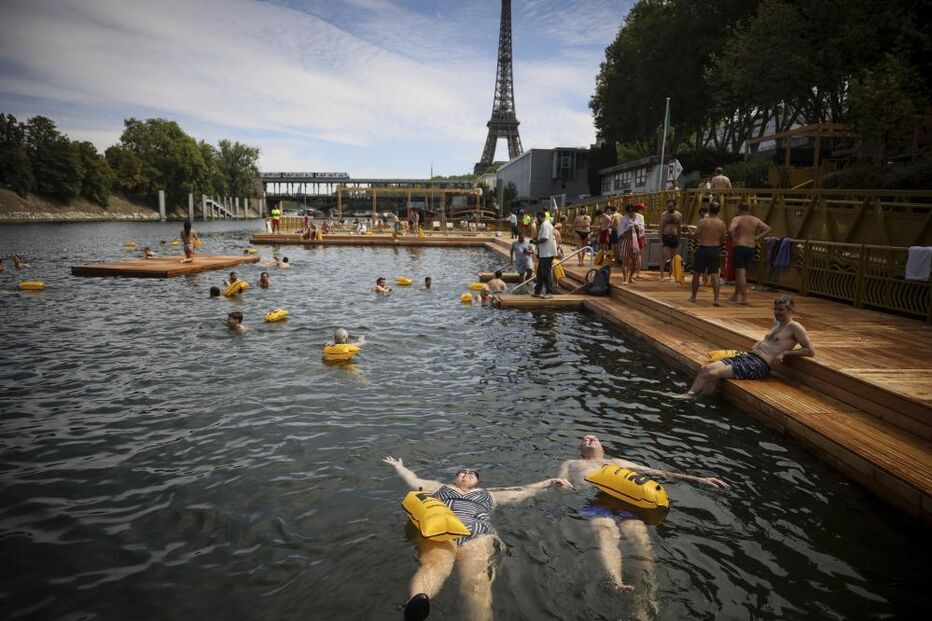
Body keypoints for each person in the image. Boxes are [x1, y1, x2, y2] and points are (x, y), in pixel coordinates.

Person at [382, 456, 571, 621]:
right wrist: (399, 467)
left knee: (477, 585)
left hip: (479, 536)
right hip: (443, 534)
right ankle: (416, 604)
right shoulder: (438, 488)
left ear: (478, 481)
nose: (466, 473)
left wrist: (549, 482)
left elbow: (524, 491)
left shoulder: (491, 494)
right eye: (462, 472)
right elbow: (413, 480)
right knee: (433, 566)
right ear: (455, 478)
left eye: (472, 473)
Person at [557, 435, 728, 593]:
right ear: (581, 450)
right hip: (597, 502)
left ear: (603, 448)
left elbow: (657, 472)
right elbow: (561, 481)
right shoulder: (571, 463)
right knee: (605, 533)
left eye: (594, 438)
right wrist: (563, 484)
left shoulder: (617, 461)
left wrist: (698, 479)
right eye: (585, 439)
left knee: (640, 538)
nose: (590, 439)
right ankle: (616, 582)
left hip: (628, 506)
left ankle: (647, 588)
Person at [681, 295, 814, 397]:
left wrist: (785, 353)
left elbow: (810, 351)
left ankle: (691, 397)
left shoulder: (795, 327)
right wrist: (760, 343)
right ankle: (694, 396)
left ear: (791, 310)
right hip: (748, 357)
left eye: (781, 310)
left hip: (759, 366)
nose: (776, 312)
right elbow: (771, 341)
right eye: (775, 309)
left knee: (712, 373)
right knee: (705, 368)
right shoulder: (777, 324)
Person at [728, 202, 771, 305]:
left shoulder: (737, 219)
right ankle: (735, 295)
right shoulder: (755, 219)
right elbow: (768, 229)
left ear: (739, 209)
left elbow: (730, 230)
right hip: (751, 247)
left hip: (740, 246)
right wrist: (757, 237)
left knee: (740, 273)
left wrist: (733, 239)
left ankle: (744, 298)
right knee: (742, 273)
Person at [689, 202, 726, 305]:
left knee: (696, 273)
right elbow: (723, 239)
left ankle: (693, 296)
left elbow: (695, 236)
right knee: (715, 275)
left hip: (703, 248)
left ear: (709, 209)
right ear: (718, 211)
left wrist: (690, 233)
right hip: (715, 249)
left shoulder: (702, 222)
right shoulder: (721, 223)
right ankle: (716, 299)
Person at [530, 211, 557, 298]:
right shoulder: (546, 224)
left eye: (537, 218)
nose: (537, 220)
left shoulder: (545, 225)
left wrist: (535, 241)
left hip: (547, 253)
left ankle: (550, 293)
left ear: (540, 217)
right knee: (540, 273)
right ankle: (537, 292)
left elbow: (545, 238)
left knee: (546, 273)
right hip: (544, 253)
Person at [617, 204, 643, 284]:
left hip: (635, 242)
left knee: (634, 261)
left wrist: (636, 227)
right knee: (624, 260)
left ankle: (630, 277)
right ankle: (625, 278)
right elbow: (620, 231)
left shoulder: (639, 218)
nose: (631, 213)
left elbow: (642, 229)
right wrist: (627, 230)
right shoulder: (624, 219)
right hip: (626, 241)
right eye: (629, 211)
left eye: (632, 211)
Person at [660, 200, 683, 281]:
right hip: (665, 236)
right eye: (668, 206)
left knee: (672, 257)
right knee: (663, 255)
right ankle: (662, 275)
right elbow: (661, 227)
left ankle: (670, 274)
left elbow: (679, 227)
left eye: (671, 206)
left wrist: (679, 238)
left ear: (674, 206)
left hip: (674, 236)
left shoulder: (678, 215)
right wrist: (661, 240)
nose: (669, 208)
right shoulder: (664, 215)